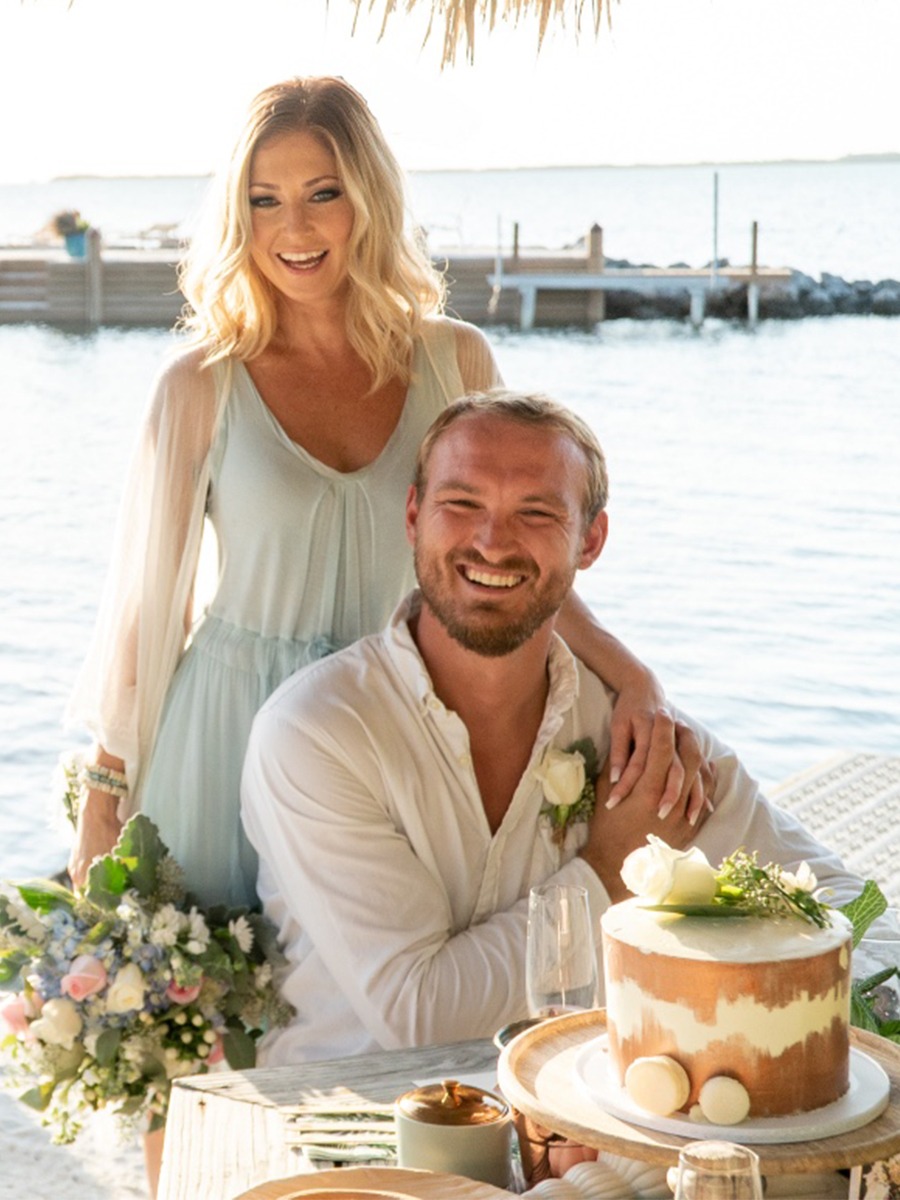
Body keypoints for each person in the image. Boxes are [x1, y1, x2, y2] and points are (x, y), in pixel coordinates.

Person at [65, 77, 687, 910]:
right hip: (225, 731)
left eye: (324, 193)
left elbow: (504, 569)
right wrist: (106, 794)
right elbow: (150, 606)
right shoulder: (197, 386)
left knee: (386, 999)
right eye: (265, 200)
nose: (295, 228)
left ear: (370, 199)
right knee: (222, 1007)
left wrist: (633, 676)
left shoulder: (454, 364)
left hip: (397, 726)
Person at [241, 389, 865, 1067]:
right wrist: (609, 867)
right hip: (352, 1125)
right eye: (462, 504)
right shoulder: (317, 734)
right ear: (414, 516)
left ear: (590, 540)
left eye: (536, 513)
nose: (491, 541)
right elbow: (423, 1017)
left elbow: (844, 911)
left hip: (586, 1118)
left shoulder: (634, 734)